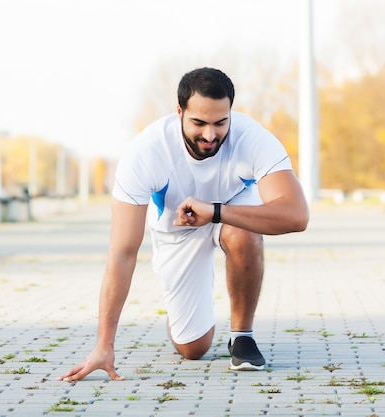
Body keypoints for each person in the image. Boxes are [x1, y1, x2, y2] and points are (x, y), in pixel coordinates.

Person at [59, 67, 308, 382]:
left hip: (230, 213)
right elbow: (122, 253)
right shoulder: (146, 153)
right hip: (177, 231)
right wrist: (104, 345)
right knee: (194, 348)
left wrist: (215, 211)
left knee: (243, 234)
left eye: (221, 123)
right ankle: (181, 316)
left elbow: (297, 215)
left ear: (231, 111)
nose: (210, 135)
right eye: (199, 123)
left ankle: (242, 336)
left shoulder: (253, 138)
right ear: (179, 112)